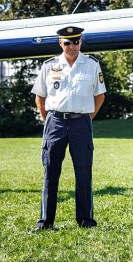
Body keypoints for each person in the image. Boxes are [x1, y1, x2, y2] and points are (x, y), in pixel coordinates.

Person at [29, 25, 106, 231]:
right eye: (67, 42)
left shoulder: (91, 64)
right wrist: (49, 120)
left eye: (76, 41)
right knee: (50, 172)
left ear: (81, 42)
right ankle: (45, 222)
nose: (72, 46)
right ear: (60, 43)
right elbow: (40, 97)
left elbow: (100, 96)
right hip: (55, 122)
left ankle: (86, 220)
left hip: (81, 122)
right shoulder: (49, 65)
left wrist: (86, 117)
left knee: (83, 172)